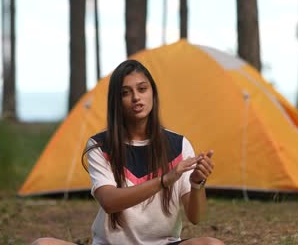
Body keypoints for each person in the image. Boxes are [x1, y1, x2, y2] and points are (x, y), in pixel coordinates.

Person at [32, 60, 224, 245]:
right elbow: (109, 202)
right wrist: (165, 179)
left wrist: (197, 183)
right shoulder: (100, 145)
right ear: (116, 101)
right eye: (126, 93)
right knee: (43, 244)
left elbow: (196, 218)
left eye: (142, 89)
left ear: (153, 93)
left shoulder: (178, 145)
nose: (136, 98)